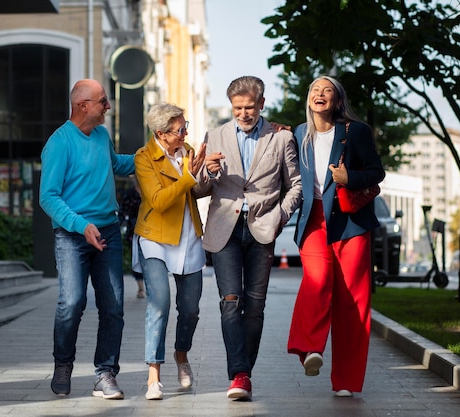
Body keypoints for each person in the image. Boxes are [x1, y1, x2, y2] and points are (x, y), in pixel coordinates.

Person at [200, 75, 302, 400]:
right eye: (237, 108)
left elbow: (295, 184)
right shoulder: (215, 136)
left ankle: (244, 371)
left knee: (255, 306)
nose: (243, 113)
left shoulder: (281, 138)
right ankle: (239, 375)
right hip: (224, 229)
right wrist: (209, 172)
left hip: (262, 228)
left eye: (249, 107)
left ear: (261, 104)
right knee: (231, 302)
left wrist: (280, 216)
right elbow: (200, 188)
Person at [287, 75, 385, 397]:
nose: (320, 94)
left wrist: (349, 177)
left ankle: (346, 380)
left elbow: (376, 172)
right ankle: (311, 348)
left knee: (352, 303)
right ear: (309, 98)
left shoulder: (355, 132)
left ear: (338, 101)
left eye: (327, 90)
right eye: (315, 89)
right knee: (317, 280)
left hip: (351, 223)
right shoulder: (299, 134)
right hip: (314, 220)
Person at [39, 79, 135, 399]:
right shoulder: (59, 143)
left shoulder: (101, 135)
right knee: (72, 303)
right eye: (103, 101)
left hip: (107, 231)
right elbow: (48, 198)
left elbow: (117, 164)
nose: (108, 106)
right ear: (83, 106)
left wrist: (157, 155)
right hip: (72, 235)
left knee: (113, 307)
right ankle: (63, 364)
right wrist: (81, 226)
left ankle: (105, 373)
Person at [132, 103, 207, 400]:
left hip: (189, 237)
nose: (185, 132)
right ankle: (154, 375)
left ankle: (181, 354)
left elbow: (195, 191)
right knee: (159, 304)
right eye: (180, 129)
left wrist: (206, 175)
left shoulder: (187, 151)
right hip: (155, 238)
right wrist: (189, 176)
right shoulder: (144, 157)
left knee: (190, 309)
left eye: (185, 125)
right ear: (161, 133)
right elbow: (159, 200)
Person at [118, 177, 146, 298]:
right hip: (134, 232)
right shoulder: (130, 194)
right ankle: (141, 288)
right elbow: (123, 212)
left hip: (150, 231)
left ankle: (148, 288)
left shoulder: (150, 189)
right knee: (137, 259)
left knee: (149, 260)